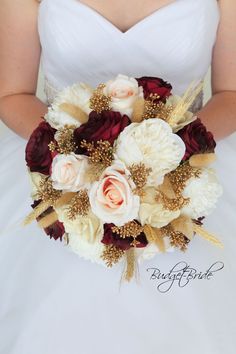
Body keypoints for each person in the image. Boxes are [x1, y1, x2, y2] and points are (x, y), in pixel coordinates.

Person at [0, 1, 235, 353]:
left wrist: (170, 152)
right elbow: (11, 94)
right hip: (64, 167)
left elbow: (231, 94)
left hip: (186, 167)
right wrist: (78, 153)